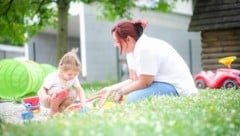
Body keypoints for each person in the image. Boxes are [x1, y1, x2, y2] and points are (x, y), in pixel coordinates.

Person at [93, 19, 198, 108]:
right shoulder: (131, 52)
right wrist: (111, 89)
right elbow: (134, 80)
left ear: (128, 39)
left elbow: (145, 82)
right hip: (159, 83)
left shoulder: (145, 48)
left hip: (176, 87)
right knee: (130, 96)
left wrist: (121, 92)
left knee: (131, 99)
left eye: (116, 41)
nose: (115, 45)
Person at [37, 48, 86, 116]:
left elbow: (80, 90)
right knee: (61, 91)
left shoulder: (73, 77)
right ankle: (53, 111)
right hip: (48, 100)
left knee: (73, 93)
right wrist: (45, 96)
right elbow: (42, 89)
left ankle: (60, 110)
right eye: (70, 74)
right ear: (61, 69)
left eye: (75, 74)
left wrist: (83, 104)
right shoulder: (53, 77)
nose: (72, 77)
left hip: (60, 98)